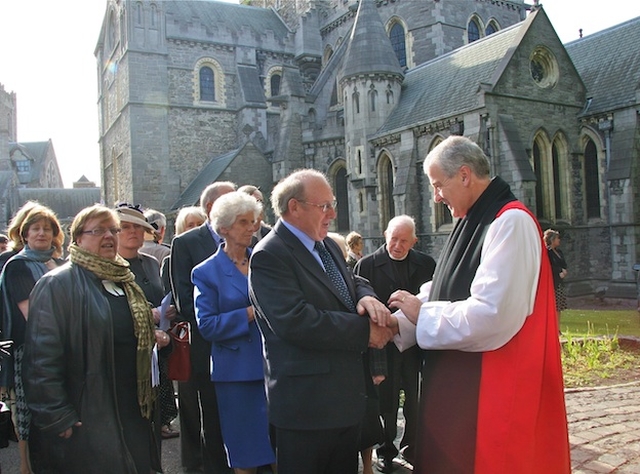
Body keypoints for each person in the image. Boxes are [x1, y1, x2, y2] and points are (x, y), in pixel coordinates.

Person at [388, 136, 570, 473]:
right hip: (464, 383)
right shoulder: (474, 219)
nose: (436, 196)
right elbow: (449, 285)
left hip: (492, 390)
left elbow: (492, 314)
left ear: (465, 175)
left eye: (438, 185)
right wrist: (399, 321)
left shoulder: (509, 222)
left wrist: (421, 313)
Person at [248, 169, 394, 474]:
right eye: (324, 206)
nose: (332, 213)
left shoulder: (325, 245)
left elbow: (352, 281)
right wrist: (366, 331)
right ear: (294, 207)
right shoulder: (270, 255)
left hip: (344, 404)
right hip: (306, 411)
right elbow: (296, 321)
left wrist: (366, 296)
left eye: (332, 204)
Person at [23, 204, 171, 473]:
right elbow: (40, 360)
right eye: (98, 230)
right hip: (88, 411)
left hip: (132, 407)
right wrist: (56, 415)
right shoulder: (57, 284)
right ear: (77, 238)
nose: (109, 236)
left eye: (113, 230)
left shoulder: (124, 280)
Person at [192, 192, 276, 474]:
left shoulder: (265, 262)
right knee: (245, 454)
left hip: (276, 370)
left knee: (281, 450)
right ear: (224, 227)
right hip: (237, 375)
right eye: (243, 222)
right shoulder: (206, 272)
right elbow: (207, 325)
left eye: (253, 221)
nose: (251, 228)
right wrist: (252, 312)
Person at [353, 215, 436, 472]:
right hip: (382, 348)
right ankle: (385, 450)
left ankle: (412, 447)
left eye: (403, 241)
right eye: (393, 239)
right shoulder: (366, 266)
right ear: (385, 236)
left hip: (415, 347)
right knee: (385, 402)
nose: (397, 245)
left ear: (414, 241)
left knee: (415, 398)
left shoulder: (425, 264)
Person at [170, 182, 236, 474]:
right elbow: (185, 300)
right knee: (214, 417)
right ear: (211, 208)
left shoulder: (249, 238)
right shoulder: (186, 244)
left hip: (247, 348)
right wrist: (231, 320)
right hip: (209, 346)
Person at [0, 204, 65, 474]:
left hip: (64, 348)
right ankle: (27, 468)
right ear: (24, 234)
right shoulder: (17, 267)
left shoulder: (63, 264)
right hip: (31, 351)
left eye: (47, 229)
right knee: (30, 415)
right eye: (35, 228)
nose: (41, 233)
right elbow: (33, 314)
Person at [115, 203, 179, 441]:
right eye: (126, 227)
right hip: (129, 348)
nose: (133, 232)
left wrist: (167, 312)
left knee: (156, 409)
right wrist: (146, 314)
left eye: (139, 227)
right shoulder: (111, 267)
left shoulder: (151, 263)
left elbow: (159, 295)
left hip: (159, 346)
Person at [544, 229, 569, 319]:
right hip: (552, 282)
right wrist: (559, 271)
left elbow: (563, 263)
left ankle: (558, 329)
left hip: (559, 282)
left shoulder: (559, 252)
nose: (559, 240)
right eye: (557, 238)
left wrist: (564, 271)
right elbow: (548, 266)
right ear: (552, 240)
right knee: (552, 306)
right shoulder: (547, 252)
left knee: (559, 307)